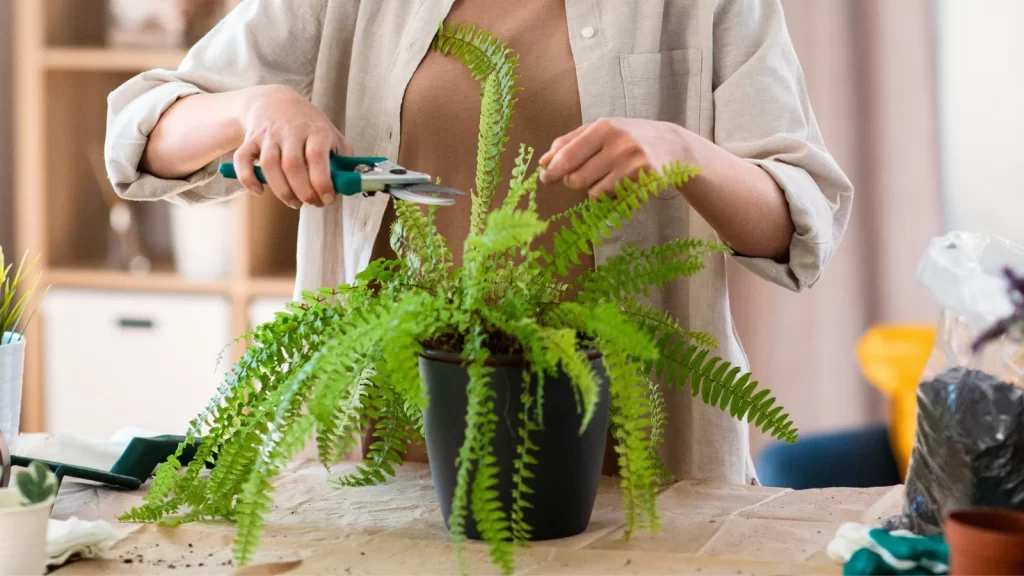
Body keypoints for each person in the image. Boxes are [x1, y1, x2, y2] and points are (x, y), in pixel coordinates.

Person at [105, 0, 853, 486]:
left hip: (625, 474)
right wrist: (253, 108)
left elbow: (797, 221)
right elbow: (141, 136)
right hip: (388, 465)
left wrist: (683, 152)